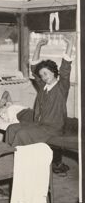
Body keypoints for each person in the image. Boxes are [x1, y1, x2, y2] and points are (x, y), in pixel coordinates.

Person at [5, 35, 75, 173]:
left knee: (22, 134)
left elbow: (66, 68)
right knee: (12, 128)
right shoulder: (43, 86)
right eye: (42, 75)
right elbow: (34, 67)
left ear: (55, 73)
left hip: (53, 128)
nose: (43, 77)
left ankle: (16, 168)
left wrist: (70, 43)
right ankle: (7, 160)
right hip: (39, 125)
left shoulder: (62, 87)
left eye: (46, 74)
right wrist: (38, 46)